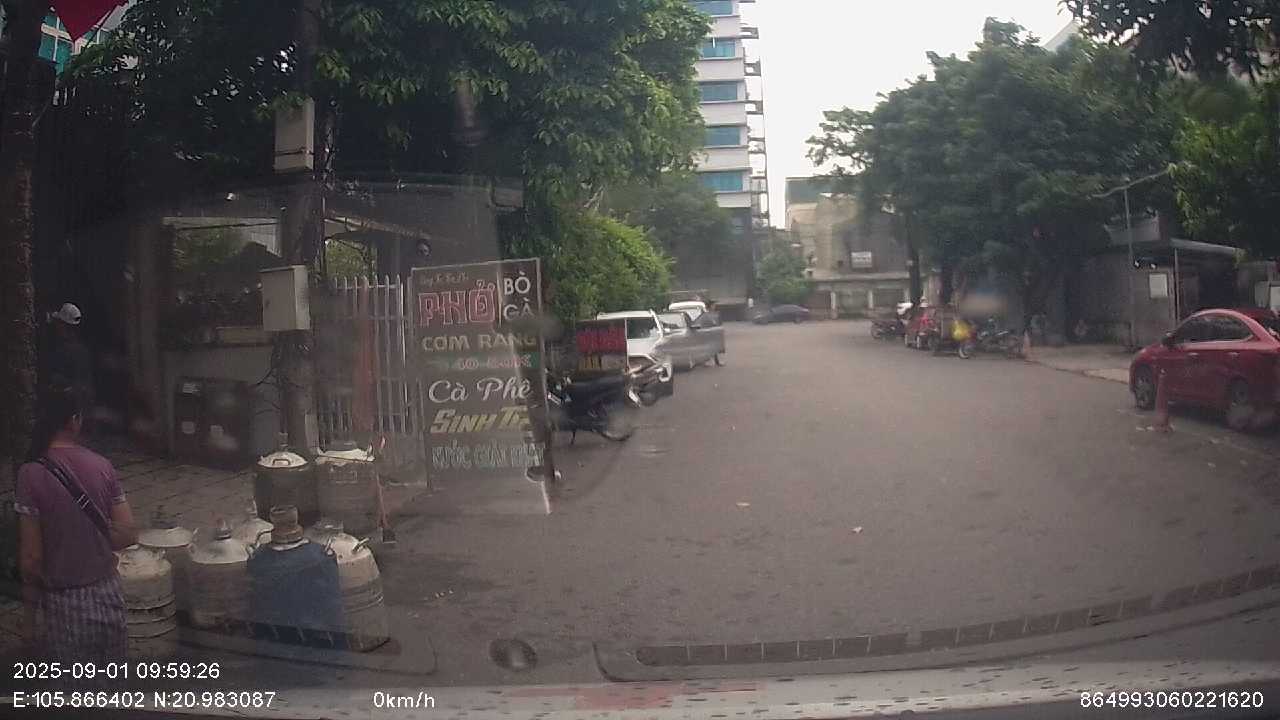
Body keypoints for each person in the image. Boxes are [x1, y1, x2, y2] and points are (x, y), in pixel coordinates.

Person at [16, 385, 138, 664]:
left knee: (77, 687)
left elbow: (31, 560)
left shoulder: (30, 474)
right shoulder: (103, 465)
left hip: (65, 604)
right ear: (74, 421)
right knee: (113, 682)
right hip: (109, 593)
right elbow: (128, 534)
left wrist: (29, 622)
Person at [43, 303, 95, 430]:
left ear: (64, 326)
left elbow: (79, 384)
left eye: (59, 324)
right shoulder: (81, 350)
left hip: (69, 409)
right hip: (77, 407)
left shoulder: (66, 350)